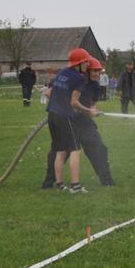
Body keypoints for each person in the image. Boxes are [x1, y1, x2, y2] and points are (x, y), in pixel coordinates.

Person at [42, 57, 115, 188]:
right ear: (86, 70)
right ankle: (49, 182)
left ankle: (107, 180)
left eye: (99, 71)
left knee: (99, 148)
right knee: (58, 152)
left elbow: (92, 104)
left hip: (84, 123)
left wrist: (92, 110)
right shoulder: (73, 80)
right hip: (67, 121)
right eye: (94, 71)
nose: (98, 74)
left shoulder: (95, 86)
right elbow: (49, 93)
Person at [46, 48, 98, 194]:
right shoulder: (79, 78)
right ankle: (75, 186)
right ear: (80, 63)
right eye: (86, 61)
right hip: (64, 117)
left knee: (60, 151)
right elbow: (74, 102)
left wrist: (60, 101)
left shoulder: (62, 73)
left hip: (52, 116)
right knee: (75, 150)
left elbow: (48, 93)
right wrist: (90, 111)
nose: (88, 64)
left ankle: (60, 185)